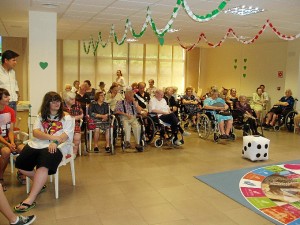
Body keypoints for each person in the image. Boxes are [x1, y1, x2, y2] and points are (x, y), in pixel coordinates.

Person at [14, 91, 75, 212]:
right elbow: (35, 132)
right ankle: (39, 182)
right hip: (38, 143)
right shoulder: (42, 115)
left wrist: (55, 142)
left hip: (58, 147)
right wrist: (52, 138)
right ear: (48, 103)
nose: (57, 103)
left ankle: (30, 199)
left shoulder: (67, 117)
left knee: (43, 166)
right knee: (20, 164)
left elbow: (64, 136)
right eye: (53, 101)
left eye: (58, 100)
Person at [0, 88, 25, 190]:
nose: (9, 98)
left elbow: (11, 131)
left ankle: (21, 172)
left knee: (24, 149)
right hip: (1, 139)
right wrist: (8, 145)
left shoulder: (10, 111)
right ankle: (0, 177)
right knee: (6, 151)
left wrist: (12, 142)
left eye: (8, 96)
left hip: (8, 138)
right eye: (6, 96)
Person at [63, 91, 83, 157]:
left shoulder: (77, 104)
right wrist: (72, 118)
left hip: (74, 123)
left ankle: (74, 153)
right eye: (72, 99)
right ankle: (65, 152)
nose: (74, 100)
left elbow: (81, 115)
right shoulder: (61, 105)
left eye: (74, 98)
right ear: (66, 100)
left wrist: (72, 118)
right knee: (63, 135)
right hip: (63, 124)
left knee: (77, 136)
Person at [0, 50, 20, 114]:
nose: (15, 62)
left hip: (13, 102)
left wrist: (17, 94)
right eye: (13, 60)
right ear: (6, 60)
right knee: (3, 123)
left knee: (12, 122)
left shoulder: (13, 72)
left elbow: (15, 84)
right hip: (3, 103)